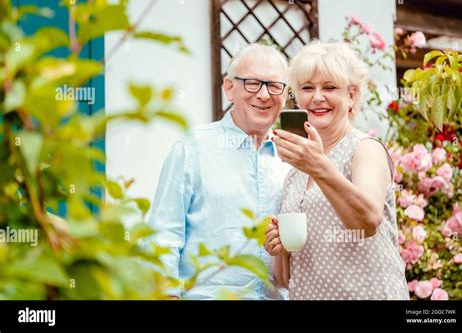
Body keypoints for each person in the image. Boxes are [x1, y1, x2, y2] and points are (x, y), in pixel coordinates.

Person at [265, 41, 409, 300]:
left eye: (329, 87)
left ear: (351, 95)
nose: (317, 97)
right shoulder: (295, 174)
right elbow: (287, 279)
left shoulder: (364, 149)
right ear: (297, 97)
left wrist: (319, 166)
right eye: (307, 88)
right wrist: (279, 250)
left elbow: (367, 221)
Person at [147, 43, 290, 299]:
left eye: (274, 85)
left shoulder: (291, 159)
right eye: (252, 83)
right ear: (229, 88)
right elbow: (163, 235)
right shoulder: (192, 147)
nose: (264, 95)